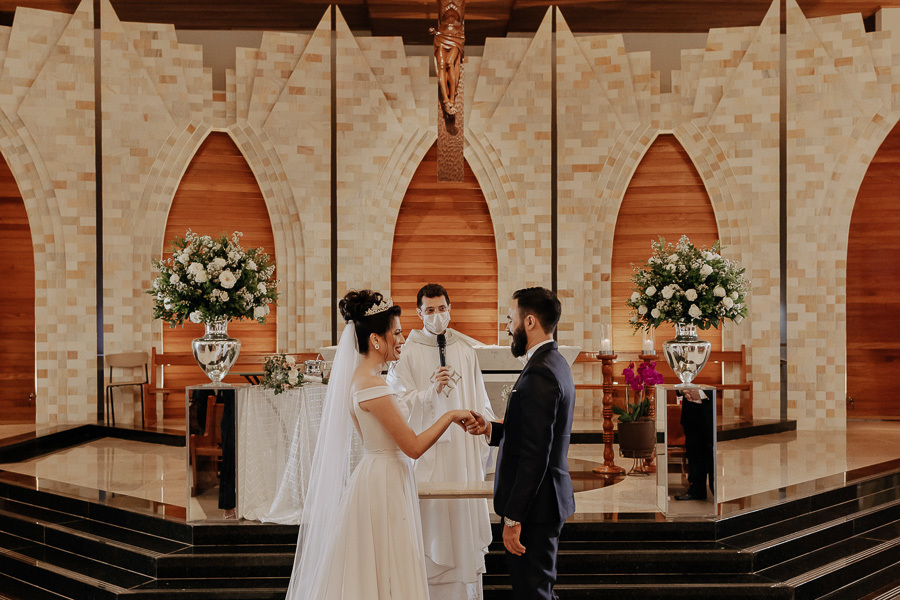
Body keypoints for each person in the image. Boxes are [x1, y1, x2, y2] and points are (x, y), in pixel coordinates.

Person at [285, 289, 477, 599]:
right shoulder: (373, 386)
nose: (403, 339)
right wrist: (451, 415)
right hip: (385, 481)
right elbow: (412, 447)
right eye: (397, 333)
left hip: (379, 475)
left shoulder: (363, 379)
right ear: (377, 339)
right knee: (390, 566)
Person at [386, 283, 495, 600]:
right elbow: (399, 405)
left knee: (460, 523)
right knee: (431, 528)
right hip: (428, 454)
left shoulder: (463, 350)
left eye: (442, 308)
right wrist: (430, 392)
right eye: (430, 310)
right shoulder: (406, 354)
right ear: (419, 313)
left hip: (461, 455)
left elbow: (480, 399)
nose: (437, 316)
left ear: (451, 309)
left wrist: (482, 420)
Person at [466, 287, 576, 600]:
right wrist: (490, 429)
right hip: (542, 503)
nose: (506, 325)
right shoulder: (554, 362)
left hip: (535, 509)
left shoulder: (540, 373)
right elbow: (533, 435)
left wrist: (514, 518)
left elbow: (535, 455)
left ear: (529, 322)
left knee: (534, 595)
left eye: (509, 317)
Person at [674, 387, 715, 501]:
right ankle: (697, 490)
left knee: (710, 453)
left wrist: (701, 393)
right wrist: (683, 391)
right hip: (690, 412)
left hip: (708, 411)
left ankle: (715, 490)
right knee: (693, 452)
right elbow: (678, 382)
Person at [430, 0, 465, 116]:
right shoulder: (443, 4)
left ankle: (452, 100)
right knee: (441, 65)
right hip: (441, 37)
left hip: (456, 38)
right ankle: (446, 101)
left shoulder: (459, 4)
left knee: (450, 63)